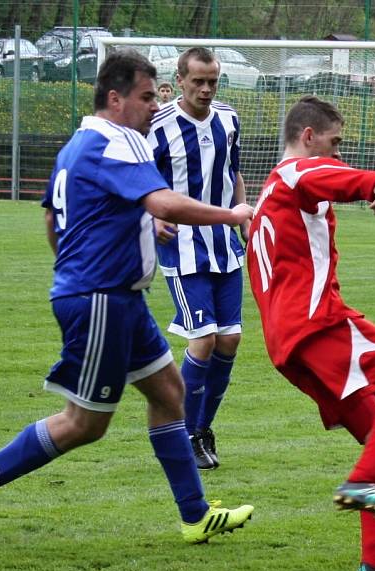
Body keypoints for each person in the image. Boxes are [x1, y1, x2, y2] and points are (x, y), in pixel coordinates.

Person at [0, 50, 255, 544]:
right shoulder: (118, 141)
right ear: (116, 98)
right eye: (147, 96)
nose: (156, 106)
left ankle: (195, 515)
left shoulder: (79, 145)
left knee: (169, 394)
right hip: (101, 301)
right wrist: (232, 214)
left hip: (117, 299)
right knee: (84, 424)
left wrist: (76, 266)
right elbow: (163, 202)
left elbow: (52, 218)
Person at [246, 96, 375, 571]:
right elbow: (324, 177)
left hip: (287, 344)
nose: (337, 154)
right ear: (309, 137)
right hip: (319, 324)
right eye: (335, 144)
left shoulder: (269, 193)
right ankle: (361, 482)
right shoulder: (295, 174)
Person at [146, 47, 250, 470]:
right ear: (180, 78)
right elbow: (135, 181)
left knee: (230, 339)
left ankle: (202, 429)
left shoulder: (228, 119)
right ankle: (183, 432)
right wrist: (150, 218)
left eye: (212, 82)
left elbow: (233, 173)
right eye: (198, 82)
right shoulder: (157, 126)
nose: (206, 89)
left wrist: (244, 218)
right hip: (183, 246)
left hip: (225, 244)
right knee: (203, 339)